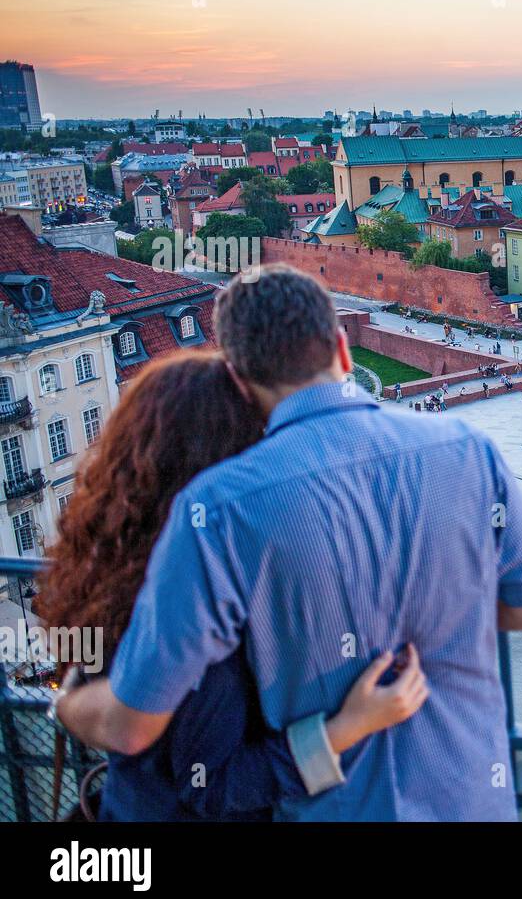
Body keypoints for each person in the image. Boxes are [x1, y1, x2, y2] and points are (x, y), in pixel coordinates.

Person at [56, 266, 522, 822]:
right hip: (473, 802)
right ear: (344, 350)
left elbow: (134, 725)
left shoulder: (218, 507)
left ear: (236, 377)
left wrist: (68, 703)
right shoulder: (471, 448)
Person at [37, 352, 429, 821]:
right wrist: (348, 728)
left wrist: (67, 698)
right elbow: (214, 784)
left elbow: (86, 677)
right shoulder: (208, 588)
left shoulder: (107, 563)